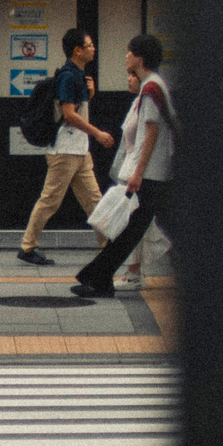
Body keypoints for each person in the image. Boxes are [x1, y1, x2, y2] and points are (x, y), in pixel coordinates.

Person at [73, 34, 175, 298]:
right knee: (131, 230)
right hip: (152, 173)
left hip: (150, 174)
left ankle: (98, 277)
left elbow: (151, 134)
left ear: (140, 58)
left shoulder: (152, 88)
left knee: (130, 230)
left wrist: (138, 173)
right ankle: (98, 277)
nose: (126, 57)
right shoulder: (151, 86)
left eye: (129, 53)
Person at [16, 28, 115, 265]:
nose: (93, 48)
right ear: (77, 50)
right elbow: (68, 114)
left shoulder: (78, 75)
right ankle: (28, 247)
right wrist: (98, 133)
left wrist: (89, 95)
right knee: (50, 199)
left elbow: (75, 111)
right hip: (65, 151)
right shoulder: (69, 76)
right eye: (89, 45)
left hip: (79, 150)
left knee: (94, 201)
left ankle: (110, 245)